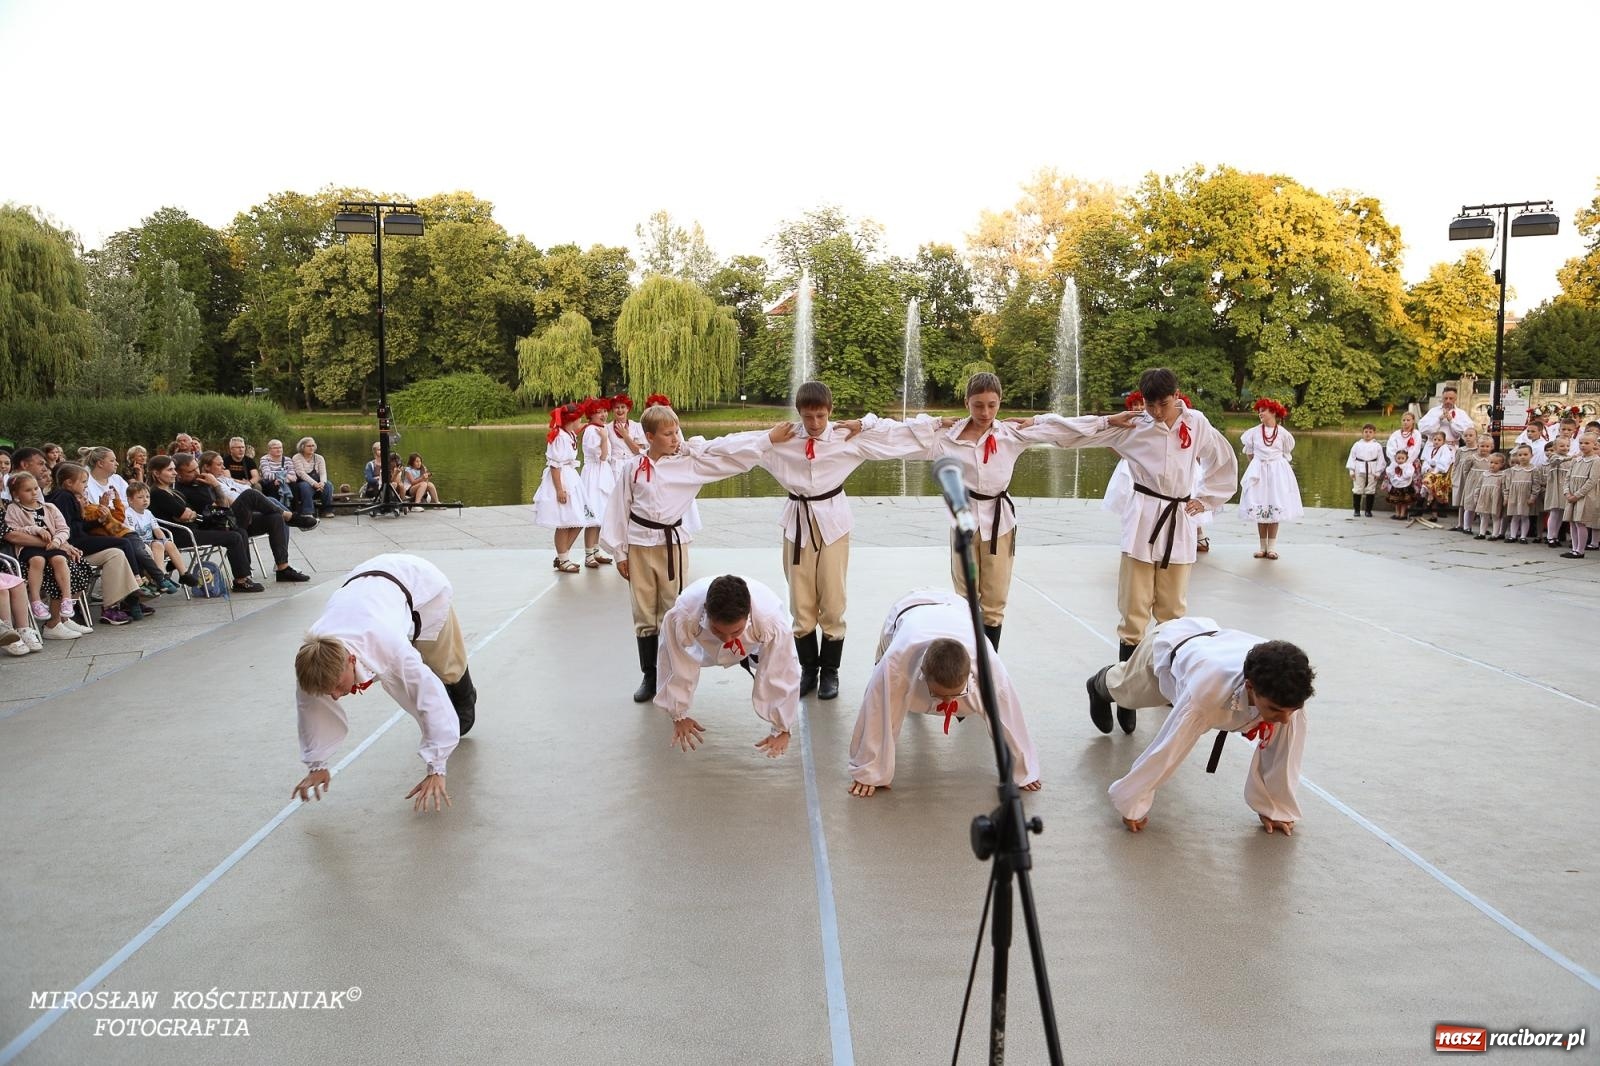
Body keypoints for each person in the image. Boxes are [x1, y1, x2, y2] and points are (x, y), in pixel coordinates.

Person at [928, 372, 1141, 650]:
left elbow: (1060, 430)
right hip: (964, 521)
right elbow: (901, 434)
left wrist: (1107, 420)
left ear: (1000, 402)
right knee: (964, 598)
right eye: (978, 405)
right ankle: (966, 663)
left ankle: (990, 666)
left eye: (992, 405)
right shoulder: (948, 437)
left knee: (994, 602)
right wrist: (931, 421)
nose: (985, 412)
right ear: (966, 402)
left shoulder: (1010, 434)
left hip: (999, 523)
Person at [600, 403, 792, 702]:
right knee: (643, 612)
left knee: (670, 611)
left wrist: (767, 440)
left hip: (671, 544)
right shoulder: (633, 469)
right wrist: (620, 553)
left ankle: (670, 674)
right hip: (639, 544)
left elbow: (728, 452)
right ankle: (649, 675)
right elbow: (618, 510)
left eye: (676, 431)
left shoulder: (689, 463)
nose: (675, 438)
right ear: (649, 436)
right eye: (667, 434)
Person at [757, 380, 937, 699]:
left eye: (821, 416)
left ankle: (830, 672)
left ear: (831, 412)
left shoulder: (846, 438)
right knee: (801, 602)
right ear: (798, 413)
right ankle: (808, 670)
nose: (814, 424)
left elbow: (891, 436)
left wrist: (933, 425)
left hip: (833, 526)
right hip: (797, 525)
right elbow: (740, 449)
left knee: (833, 599)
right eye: (808, 416)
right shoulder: (784, 440)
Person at [1084, 617, 1315, 834]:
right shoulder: (1207, 693)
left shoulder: (1288, 694)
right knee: (1125, 690)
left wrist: (1276, 809)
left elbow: (1285, 753)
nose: (1285, 719)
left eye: (1291, 711)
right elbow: (1169, 747)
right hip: (1167, 647)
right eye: (1275, 710)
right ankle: (1098, 685)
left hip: (1204, 650)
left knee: (1286, 718)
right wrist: (1132, 801)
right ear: (1250, 686)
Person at [291, 553, 478, 813]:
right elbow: (310, 709)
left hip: (421, 585)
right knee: (416, 663)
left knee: (445, 665)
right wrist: (317, 764)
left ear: (351, 659)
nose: (333, 696)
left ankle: (464, 691)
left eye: (336, 686)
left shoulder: (389, 646)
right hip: (370, 586)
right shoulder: (314, 663)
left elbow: (428, 694)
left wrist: (437, 768)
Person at [846, 588, 1040, 798]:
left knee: (996, 701)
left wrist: (1024, 770)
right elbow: (876, 712)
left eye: (954, 695)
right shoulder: (896, 663)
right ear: (923, 674)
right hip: (907, 610)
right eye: (939, 694)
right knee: (886, 693)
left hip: (955, 608)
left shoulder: (988, 666)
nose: (947, 702)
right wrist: (869, 772)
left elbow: (1008, 717)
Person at [654, 574, 799, 758]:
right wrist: (678, 714)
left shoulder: (770, 620)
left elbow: (782, 671)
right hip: (704, 645)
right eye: (719, 631)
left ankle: (733, 632)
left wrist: (782, 728)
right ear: (706, 611)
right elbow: (675, 661)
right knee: (681, 658)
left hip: (753, 645)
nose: (728, 639)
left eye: (736, 631)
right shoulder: (685, 614)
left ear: (748, 614)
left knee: (777, 666)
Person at [47, 463, 149, 625]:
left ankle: (119, 604)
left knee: (118, 551)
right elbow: (65, 527)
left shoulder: (68, 497)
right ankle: (135, 584)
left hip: (78, 539)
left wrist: (99, 521)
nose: (86, 487)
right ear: (68, 483)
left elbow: (78, 525)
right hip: (73, 543)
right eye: (83, 483)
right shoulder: (63, 497)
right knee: (122, 543)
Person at [146, 454, 264, 593]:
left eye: (174, 469)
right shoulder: (158, 493)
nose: (174, 473)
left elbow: (193, 513)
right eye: (170, 470)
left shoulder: (172, 491)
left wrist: (191, 514)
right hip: (180, 535)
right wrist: (189, 515)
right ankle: (241, 581)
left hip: (193, 528)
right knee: (234, 537)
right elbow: (185, 515)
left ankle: (245, 576)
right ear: (156, 473)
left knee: (239, 531)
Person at [3, 472, 83, 638]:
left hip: (54, 544)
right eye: (28, 490)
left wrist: (57, 541)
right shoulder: (13, 509)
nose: (33, 493)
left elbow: (63, 529)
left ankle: (67, 601)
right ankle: (36, 601)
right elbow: (13, 529)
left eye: (35, 489)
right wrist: (35, 529)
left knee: (61, 559)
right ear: (16, 494)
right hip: (29, 547)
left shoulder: (49, 507)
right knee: (37, 561)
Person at [532, 402, 593, 574]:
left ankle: (562, 556)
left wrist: (587, 426)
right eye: (579, 419)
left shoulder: (569, 433)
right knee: (565, 522)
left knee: (579, 519)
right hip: (562, 479)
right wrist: (560, 489)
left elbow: (576, 432)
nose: (580, 422)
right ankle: (563, 558)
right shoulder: (559, 436)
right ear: (571, 420)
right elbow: (554, 465)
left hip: (571, 476)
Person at [1238, 398, 1301, 559]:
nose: (1260, 413)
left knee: (1274, 505)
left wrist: (1273, 468)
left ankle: (1272, 547)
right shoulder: (1253, 433)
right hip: (1259, 472)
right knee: (1261, 506)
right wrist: (1258, 467)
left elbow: (1286, 453)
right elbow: (1250, 454)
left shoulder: (1283, 434)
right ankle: (1262, 547)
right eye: (1259, 410)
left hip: (1276, 473)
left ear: (1273, 412)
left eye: (1263, 410)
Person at [125, 481, 200, 590]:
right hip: (139, 544)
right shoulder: (129, 513)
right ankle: (161, 576)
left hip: (150, 542)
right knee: (158, 545)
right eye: (140, 497)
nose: (145, 500)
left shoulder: (148, 513)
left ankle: (184, 573)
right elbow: (132, 534)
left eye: (147, 497)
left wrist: (165, 541)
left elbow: (157, 530)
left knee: (168, 543)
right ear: (130, 500)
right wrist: (160, 543)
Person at [577, 399, 615, 567]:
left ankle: (596, 550)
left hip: (602, 472)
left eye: (605, 411)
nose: (603, 415)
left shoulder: (600, 429)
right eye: (599, 412)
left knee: (600, 515)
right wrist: (605, 439)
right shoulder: (593, 431)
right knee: (593, 515)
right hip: (594, 474)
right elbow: (603, 456)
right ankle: (588, 555)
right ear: (591, 414)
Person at [1560, 434, 1599, 559]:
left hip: (1584, 495)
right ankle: (1574, 549)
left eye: (1587, 443)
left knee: (1580, 522)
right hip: (1571, 494)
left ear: (1594, 445)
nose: (1583, 445)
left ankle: (1580, 550)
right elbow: (1568, 477)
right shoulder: (1576, 460)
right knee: (1572, 521)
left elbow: (1591, 481)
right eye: (1581, 443)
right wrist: (1567, 492)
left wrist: (1577, 495)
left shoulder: (1596, 461)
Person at [1535, 430, 1574, 546]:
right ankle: (1550, 537)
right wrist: (1571, 458)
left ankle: (1555, 536)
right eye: (1562, 445)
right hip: (1555, 488)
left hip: (1565, 488)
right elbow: (1556, 461)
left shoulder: (1569, 459)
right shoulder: (1554, 457)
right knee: (1554, 513)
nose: (1565, 448)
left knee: (1561, 514)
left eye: (1567, 445)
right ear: (1555, 447)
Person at [290, 437, 335, 518]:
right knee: (305, 486)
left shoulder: (319, 458)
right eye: (309, 446)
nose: (311, 448)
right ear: (302, 447)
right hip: (303, 481)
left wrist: (322, 483)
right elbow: (301, 474)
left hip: (318, 481)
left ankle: (327, 511)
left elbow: (323, 473)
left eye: (313, 445)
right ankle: (308, 511)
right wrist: (314, 484)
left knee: (328, 485)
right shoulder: (296, 457)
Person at [1346, 423, 1383, 518]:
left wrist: (1378, 472)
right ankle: (1357, 510)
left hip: (1372, 468)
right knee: (1357, 489)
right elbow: (1352, 457)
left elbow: (1381, 460)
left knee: (1370, 490)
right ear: (1362, 433)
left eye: (1370, 432)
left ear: (1374, 433)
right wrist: (1351, 470)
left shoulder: (1377, 446)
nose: (1368, 434)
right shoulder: (1357, 444)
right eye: (1366, 432)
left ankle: (1368, 511)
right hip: (1359, 468)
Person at [1503, 445, 1538, 544]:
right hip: (1514, 495)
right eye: (1520, 455)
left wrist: (1533, 497)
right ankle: (1513, 535)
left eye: (1525, 454)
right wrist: (1506, 496)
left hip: (1525, 496)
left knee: (1524, 516)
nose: (1522, 457)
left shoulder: (1534, 469)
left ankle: (1523, 536)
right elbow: (1508, 484)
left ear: (1531, 455)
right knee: (1515, 516)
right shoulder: (1513, 470)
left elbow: (1536, 484)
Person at [1417, 431, 1455, 520]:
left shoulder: (1445, 449)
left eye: (1439, 440)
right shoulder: (1430, 449)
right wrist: (1427, 468)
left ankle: (1428, 508)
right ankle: (1432, 513)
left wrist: (1435, 469)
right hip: (1430, 473)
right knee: (1429, 488)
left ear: (1444, 441)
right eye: (1435, 439)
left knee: (1431, 488)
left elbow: (1444, 462)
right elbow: (1426, 460)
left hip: (1439, 475)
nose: (1437, 441)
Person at [1473, 451, 1508, 540]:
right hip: (1484, 498)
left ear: (1502, 464)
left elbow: (1505, 487)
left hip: (1495, 499)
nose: (1493, 465)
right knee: (1484, 516)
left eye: (1496, 463)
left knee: (1495, 516)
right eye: (1491, 462)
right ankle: (1482, 533)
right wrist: (1476, 496)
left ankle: (1495, 534)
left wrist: (1505, 498)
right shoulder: (1485, 474)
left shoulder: (1502, 475)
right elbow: (1478, 486)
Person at [257, 439, 297, 509]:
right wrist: (284, 476)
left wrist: (282, 480)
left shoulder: (288, 460)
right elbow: (267, 475)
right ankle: (277, 510)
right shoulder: (264, 459)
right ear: (269, 450)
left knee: (294, 485)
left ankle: (293, 511)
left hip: (284, 481)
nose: (278, 450)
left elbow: (293, 477)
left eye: (280, 447)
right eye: (275, 448)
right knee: (274, 485)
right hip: (269, 483)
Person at [1384, 449, 1416, 520]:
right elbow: (1389, 472)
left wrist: (1403, 469)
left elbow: (1408, 475)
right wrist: (1394, 474)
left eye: (1402, 458)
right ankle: (1397, 513)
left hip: (1404, 485)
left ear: (1406, 458)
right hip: (1396, 485)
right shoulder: (1394, 465)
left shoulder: (1408, 466)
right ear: (1395, 458)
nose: (1400, 460)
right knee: (1396, 501)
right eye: (1398, 458)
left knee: (1404, 501)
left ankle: (1402, 514)